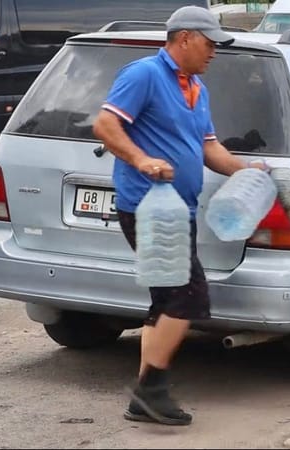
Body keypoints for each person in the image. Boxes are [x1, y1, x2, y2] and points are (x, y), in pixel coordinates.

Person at [92, 5, 263, 426]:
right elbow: (106, 126)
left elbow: (208, 148)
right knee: (189, 297)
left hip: (177, 209)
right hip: (148, 208)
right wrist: (142, 159)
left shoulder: (197, 89)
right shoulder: (145, 74)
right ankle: (151, 390)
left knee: (166, 300)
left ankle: (146, 396)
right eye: (210, 44)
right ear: (184, 38)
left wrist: (247, 170)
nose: (214, 53)